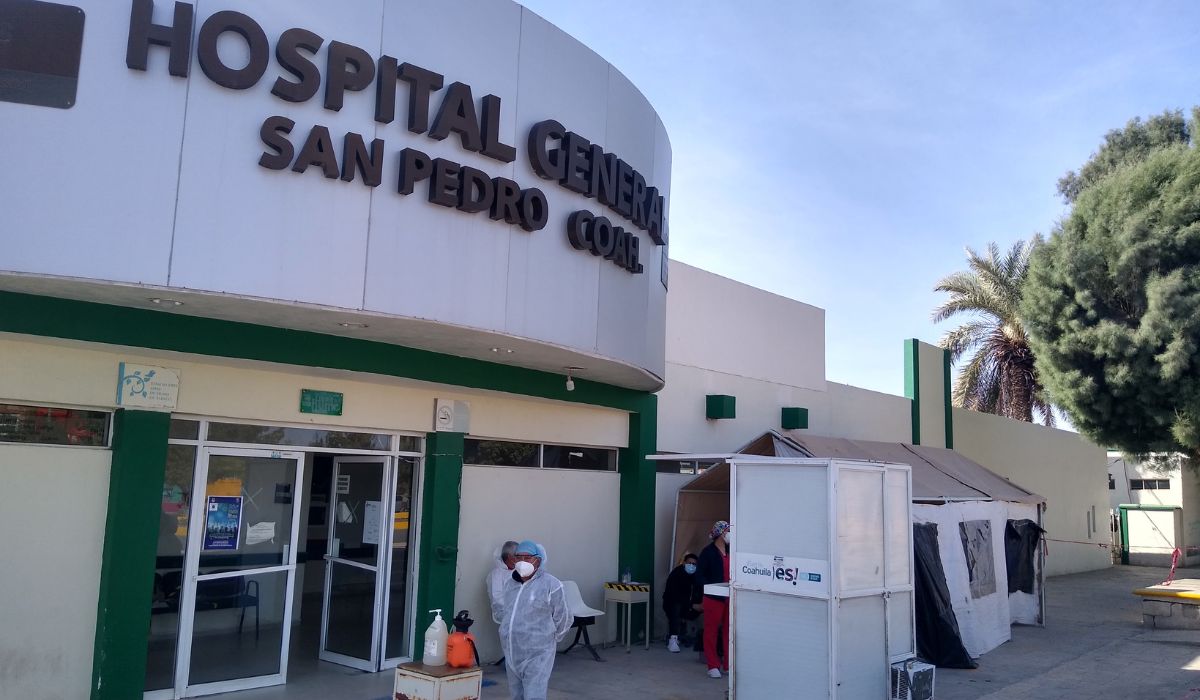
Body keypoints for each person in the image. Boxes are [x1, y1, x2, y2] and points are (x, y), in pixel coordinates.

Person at [498, 540, 571, 700]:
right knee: (516, 695)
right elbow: (508, 613)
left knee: (534, 695)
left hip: (538, 653)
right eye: (518, 557)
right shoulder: (510, 584)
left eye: (527, 557)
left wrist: (550, 640)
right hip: (512, 651)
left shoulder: (551, 585)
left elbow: (564, 617)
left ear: (538, 561)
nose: (522, 561)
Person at [695, 520, 731, 679]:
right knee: (711, 631)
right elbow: (699, 575)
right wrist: (710, 588)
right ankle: (712, 664)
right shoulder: (707, 552)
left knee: (729, 632)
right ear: (721, 534)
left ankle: (728, 664)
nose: (730, 534)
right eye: (728, 531)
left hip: (729, 596)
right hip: (713, 598)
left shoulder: (731, 550)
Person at [662, 552, 702, 653]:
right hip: (672, 604)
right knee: (676, 607)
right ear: (684, 563)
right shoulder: (676, 574)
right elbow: (674, 596)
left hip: (688, 605)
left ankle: (700, 637)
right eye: (689, 563)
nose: (691, 566)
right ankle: (673, 639)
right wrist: (692, 605)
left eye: (694, 564)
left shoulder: (696, 576)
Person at [487, 540, 520, 624]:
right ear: (510, 557)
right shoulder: (497, 574)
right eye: (518, 555)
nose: (520, 559)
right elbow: (497, 598)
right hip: (505, 612)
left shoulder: (519, 570)